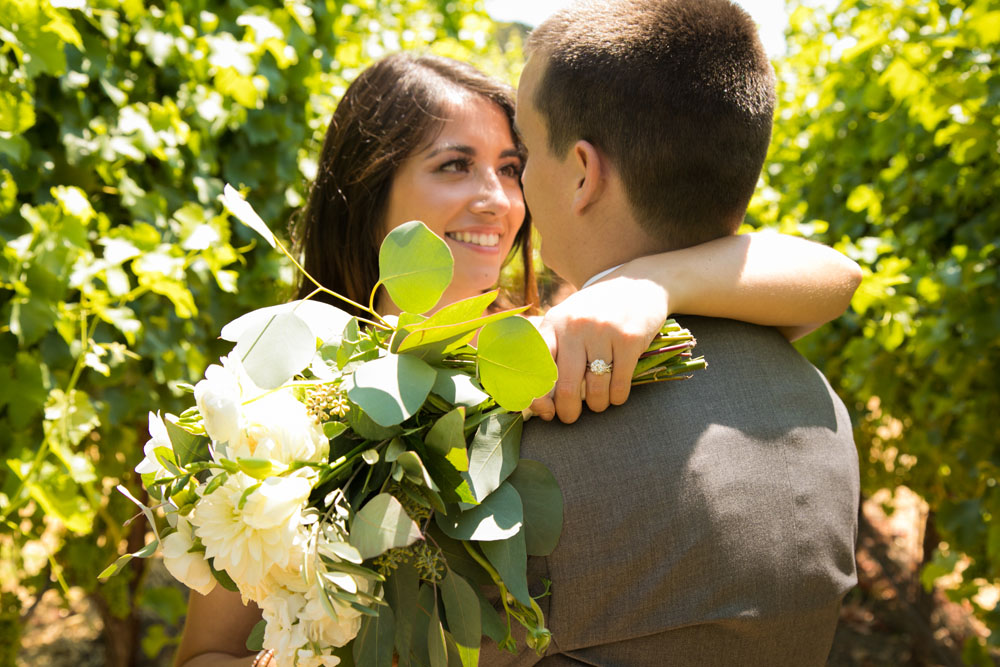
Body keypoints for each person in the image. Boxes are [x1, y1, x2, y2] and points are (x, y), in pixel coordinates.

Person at [174, 48, 860, 665]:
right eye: (454, 165)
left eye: (511, 168)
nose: (498, 199)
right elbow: (203, 652)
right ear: (369, 182)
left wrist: (651, 285)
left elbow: (831, 276)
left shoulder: (553, 342)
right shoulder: (277, 400)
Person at [476, 0, 860, 665]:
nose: (517, 187)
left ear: (583, 174)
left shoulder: (518, 432)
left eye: (525, 155)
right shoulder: (819, 405)